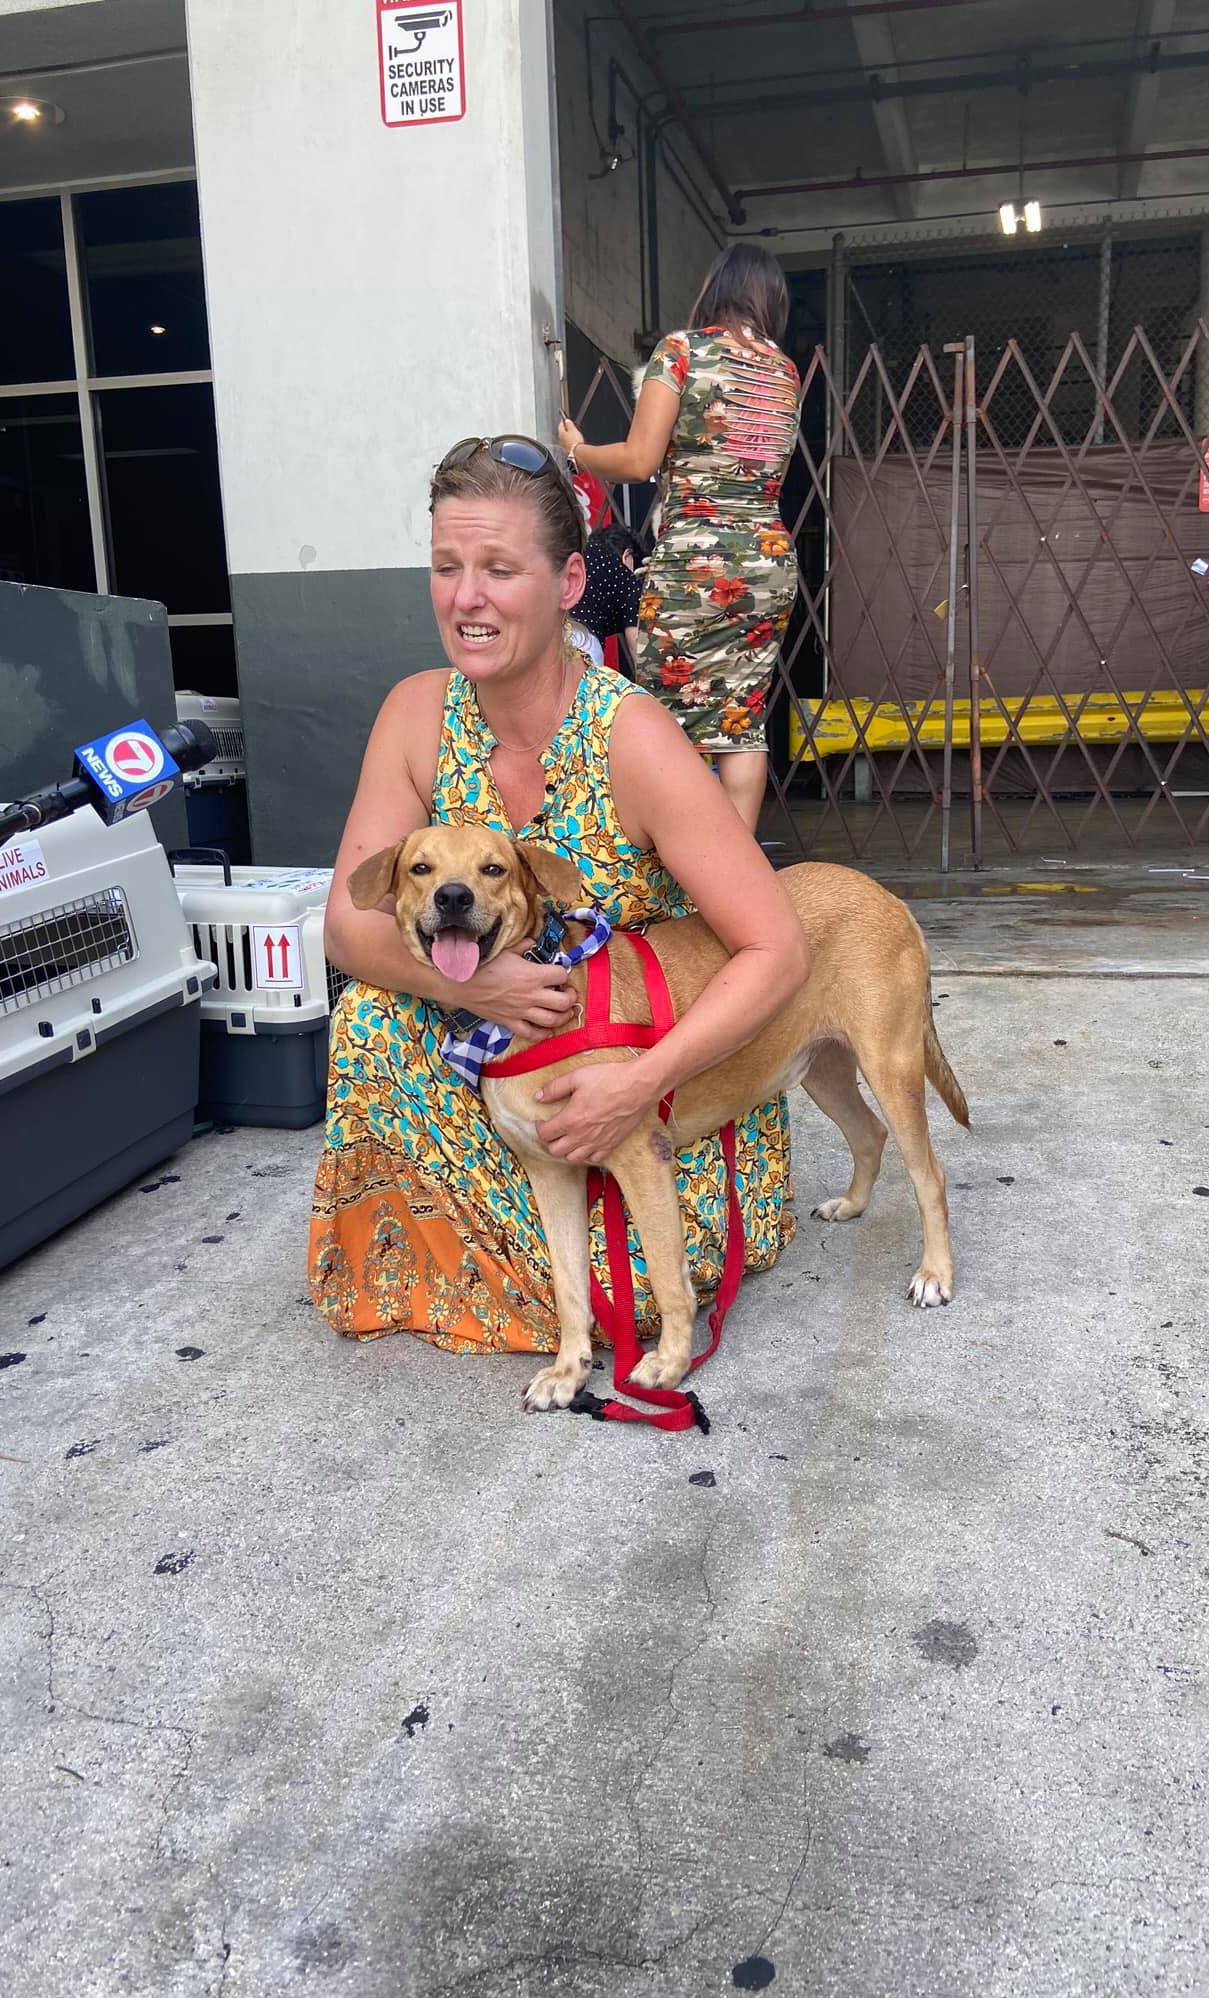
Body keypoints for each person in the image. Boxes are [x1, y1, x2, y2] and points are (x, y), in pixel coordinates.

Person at [309, 434, 808, 1353]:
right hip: (503, 1075)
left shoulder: (633, 739)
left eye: (499, 568)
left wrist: (642, 1086)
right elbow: (348, 919)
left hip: (642, 1090)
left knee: (615, 1294)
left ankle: (574, 1265)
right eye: (447, 567)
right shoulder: (417, 713)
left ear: (571, 582)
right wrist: (470, 986)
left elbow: (779, 946)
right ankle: (447, 1245)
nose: (466, 598)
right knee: (372, 1014)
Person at [556, 244, 802, 833]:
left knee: (673, 717)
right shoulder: (784, 372)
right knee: (741, 720)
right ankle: (735, 866)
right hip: (768, 562)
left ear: (717, 288)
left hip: (697, 562)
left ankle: (675, 868)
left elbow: (639, 460)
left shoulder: (683, 352)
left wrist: (577, 449)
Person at [566, 521, 643, 676]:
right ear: (628, 556)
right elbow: (637, 644)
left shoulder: (575, 554)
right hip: (583, 644)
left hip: (546, 639)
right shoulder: (626, 575)